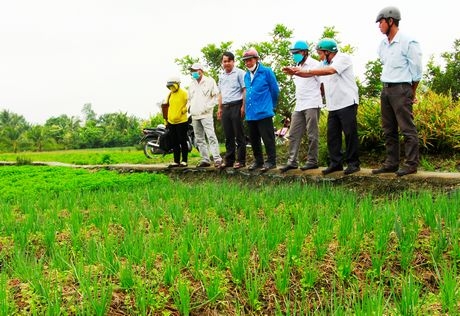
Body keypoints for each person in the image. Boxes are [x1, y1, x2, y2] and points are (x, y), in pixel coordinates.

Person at [284, 38, 360, 175]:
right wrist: (294, 71)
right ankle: (336, 164)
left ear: (328, 52)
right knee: (333, 136)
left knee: (349, 134)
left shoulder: (343, 58)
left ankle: (353, 164)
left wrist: (307, 71)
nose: (319, 56)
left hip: (347, 102)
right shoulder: (323, 64)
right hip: (333, 105)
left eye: (320, 53)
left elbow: (329, 71)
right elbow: (306, 74)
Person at [372, 6, 422, 176]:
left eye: (381, 22)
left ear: (390, 21)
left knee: (407, 128)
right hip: (386, 89)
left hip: (402, 88)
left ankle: (411, 164)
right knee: (388, 129)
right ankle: (391, 163)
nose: (379, 26)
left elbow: (416, 71)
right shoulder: (383, 44)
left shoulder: (408, 42)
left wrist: (411, 91)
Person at [280, 40, 324, 173]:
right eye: (293, 53)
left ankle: (312, 161)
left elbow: (322, 85)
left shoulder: (315, 64)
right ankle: (292, 161)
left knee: (312, 133)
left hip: (312, 103)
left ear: (305, 52)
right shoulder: (296, 66)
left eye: (296, 52)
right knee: (293, 134)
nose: (294, 55)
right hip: (299, 104)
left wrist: (319, 99)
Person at [242, 48, 280, 172]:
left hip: (264, 111)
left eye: (250, 60)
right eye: (245, 61)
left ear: (256, 59)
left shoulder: (266, 72)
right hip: (251, 113)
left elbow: (275, 90)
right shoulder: (246, 75)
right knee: (254, 139)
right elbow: (248, 92)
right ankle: (258, 161)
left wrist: (271, 106)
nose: (248, 63)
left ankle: (271, 161)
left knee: (268, 137)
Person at [187, 63, 223, 168]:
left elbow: (216, 96)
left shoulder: (210, 81)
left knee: (211, 136)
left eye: (195, 70)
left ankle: (217, 159)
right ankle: (205, 159)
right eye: (192, 70)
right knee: (199, 139)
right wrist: (189, 109)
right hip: (194, 115)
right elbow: (189, 99)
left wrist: (208, 107)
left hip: (206, 115)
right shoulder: (192, 84)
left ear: (200, 71)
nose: (193, 72)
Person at [217, 51, 247, 169]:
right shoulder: (221, 76)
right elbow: (220, 93)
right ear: (222, 63)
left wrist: (243, 106)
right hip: (225, 107)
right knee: (228, 135)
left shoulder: (240, 73)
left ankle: (241, 160)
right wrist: (219, 108)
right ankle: (229, 160)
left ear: (233, 61)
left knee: (239, 134)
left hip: (237, 105)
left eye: (229, 61)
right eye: (225, 61)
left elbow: (244, 90)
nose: (227, 63)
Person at [164, 76, 189, 168]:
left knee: (182, 140)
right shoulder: (170, 94)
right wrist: (166, 120)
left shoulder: (184, 93)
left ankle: (184, 160)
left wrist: (185, 109)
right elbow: (166, 107)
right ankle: (176, 161)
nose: (171, 88)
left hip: (182, 121)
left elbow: (189, 102)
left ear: (178, 84)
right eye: (170, 86)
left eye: (173, 86)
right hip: (171, 122)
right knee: (174, 142)